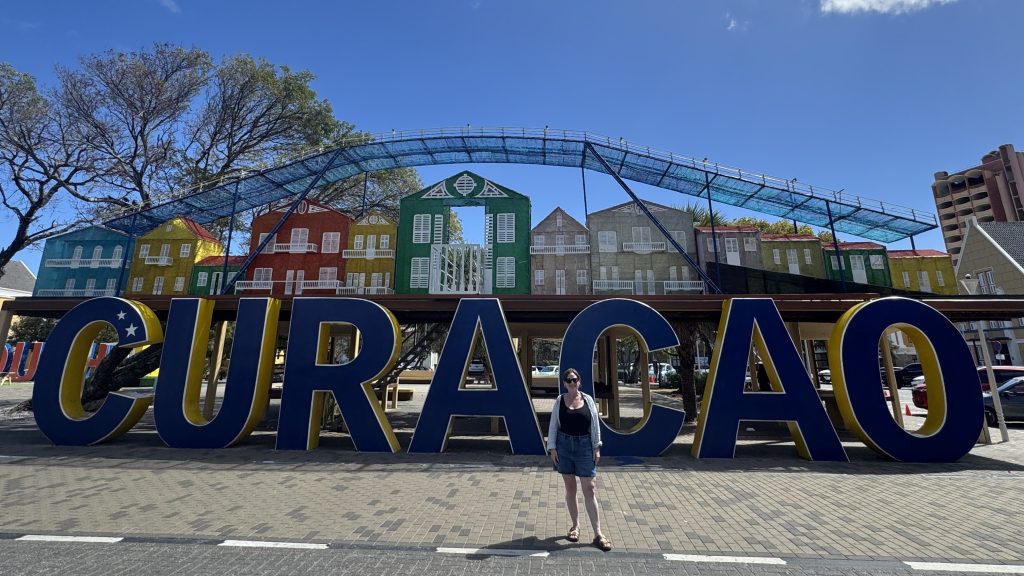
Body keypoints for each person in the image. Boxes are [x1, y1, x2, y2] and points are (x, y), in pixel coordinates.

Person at [547, 367, 612, 552]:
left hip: (585, 447)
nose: (572, 383)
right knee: (570, 488)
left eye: (575, 379)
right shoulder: (560, 401)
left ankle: (598, 533)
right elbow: (553, 425)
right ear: (564, 384)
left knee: (589, 489)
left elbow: (595, 424)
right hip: (564, 447)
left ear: (579, 381)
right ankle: (575, 526)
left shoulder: (588, 400)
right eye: (569, 380)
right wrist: (551, 447)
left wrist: (596, 446)